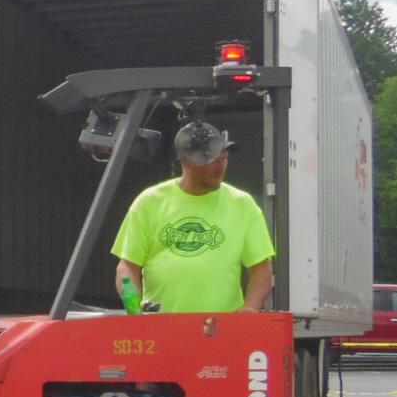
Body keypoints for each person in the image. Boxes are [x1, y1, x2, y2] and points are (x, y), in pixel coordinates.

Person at [112, 121, 275, 314]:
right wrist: (133, 308)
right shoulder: (150, 201)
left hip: (220, 331)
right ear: (186, 161)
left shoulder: (242, 204)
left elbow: (262, 269)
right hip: (161, 329)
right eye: (213, 160)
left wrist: (251, 307)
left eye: (224, 158)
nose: (220, 166)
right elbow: (128, 266)